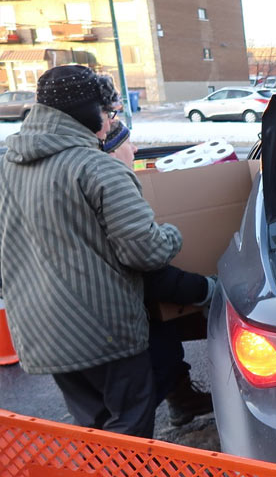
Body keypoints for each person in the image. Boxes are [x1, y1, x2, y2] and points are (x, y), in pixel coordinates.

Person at [0, 65, 182, 438]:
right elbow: (145, 251)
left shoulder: (6, 167)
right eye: (107, 111)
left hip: (38, 330)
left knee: (93, 430)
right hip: (104, 332)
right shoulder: (98, 168)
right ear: (87, 112)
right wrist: (173, 234)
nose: (110, 120)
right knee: (129, 428)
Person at [102, 120, 216, 426]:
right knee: (130, 415)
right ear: (111, 152)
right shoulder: (112, 192)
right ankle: (128, 452)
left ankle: (181, 398)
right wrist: (207, 288)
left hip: (71, 326)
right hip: (114, 326)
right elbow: (149, 268)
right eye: (127, 143)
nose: (135, 148)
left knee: (162, 334)